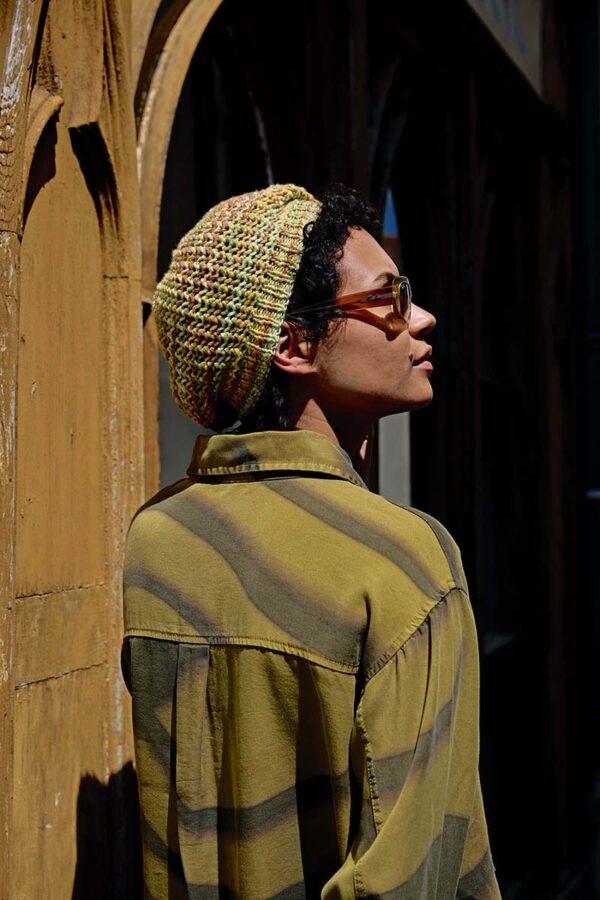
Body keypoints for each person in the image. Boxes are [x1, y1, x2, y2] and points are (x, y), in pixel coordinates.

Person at [120, 182, 502, 899]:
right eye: (388, 298)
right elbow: (409, 877)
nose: (422, 318)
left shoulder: (157, 535)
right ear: (292, 345)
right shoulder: (403, 560)